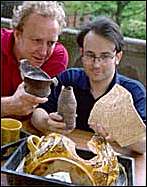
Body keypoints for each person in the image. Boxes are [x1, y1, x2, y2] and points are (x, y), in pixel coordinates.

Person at [31, 16, 146, 154]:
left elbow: (143, 145)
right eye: (90, 55)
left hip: (111, 161)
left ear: (117, 57)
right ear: (81, 53)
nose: (96, 64)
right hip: (67, 154)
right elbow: (37, 112)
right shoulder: (69, 78)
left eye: (104, 56)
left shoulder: (134, 91)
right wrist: (46, 122)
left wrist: (119, 134)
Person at [1, 1, 68, 117]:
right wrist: (8, 106)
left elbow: (42, 110)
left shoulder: (57, 57)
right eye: (37, 40)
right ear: (17, 34)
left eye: (51, 43)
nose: (43, 52)